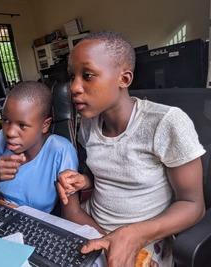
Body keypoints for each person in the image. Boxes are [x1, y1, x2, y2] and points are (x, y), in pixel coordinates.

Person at [57, 31, 205, 266]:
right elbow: (112, 174)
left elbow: (193, 205)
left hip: (143, 238)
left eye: (87, 75)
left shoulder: (165, 122)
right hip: (91, 226)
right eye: (72, 76)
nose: (74, 87)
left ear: (124, 79)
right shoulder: (87, 123)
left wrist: (134, 235)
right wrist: (84, 181)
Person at [0, 81, 94, 220]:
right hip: (0, 215)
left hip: (36, 224)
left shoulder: (61, 150)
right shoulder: (1, 138)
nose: (10, 132)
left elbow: (72, 213)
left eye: (22, 125)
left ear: (45, 125)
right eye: (6, 120)